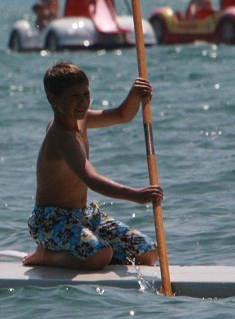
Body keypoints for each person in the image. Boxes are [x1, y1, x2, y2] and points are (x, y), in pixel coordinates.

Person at [23, 61, 163, 270]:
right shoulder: (60, 137)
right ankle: (45, 255)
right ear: (53, 99)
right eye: (74, 96)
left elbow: (122, 115)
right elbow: (92, 178)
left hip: (84, 215)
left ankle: (96, 252)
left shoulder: (83, 119)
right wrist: (135, 195)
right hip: (51, 222)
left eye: (86, 94)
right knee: (99, 255)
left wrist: (135, 94)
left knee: (147, 252)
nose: (82, 102)